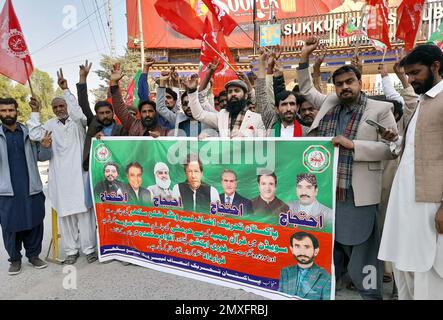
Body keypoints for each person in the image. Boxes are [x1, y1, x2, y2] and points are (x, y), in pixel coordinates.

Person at [298, 37, 397, 299]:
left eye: (349, 82)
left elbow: (391, 149)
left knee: (364, 256)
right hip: (328, 195)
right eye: (339, 84)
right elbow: (307, 90)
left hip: (358, 196)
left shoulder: (381, 109)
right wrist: (304, 58)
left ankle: (371, 296)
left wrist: (353, 145)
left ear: (359, 81)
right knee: (330, 250)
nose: (344, 88)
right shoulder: (330, 104)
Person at [378, 44, 443, 300]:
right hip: (404, 202)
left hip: (429, 204)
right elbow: (417, 146)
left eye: (415, 73)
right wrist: (396, 139)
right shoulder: (425, 100)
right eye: (408, 74)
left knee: (429, 271)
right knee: (404, 266)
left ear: (436, 66)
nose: (411, 79)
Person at [27, 69, 98, 265]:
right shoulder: (49, 125)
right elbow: (33, 134)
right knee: (66, 218)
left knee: (85, 216)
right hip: (61, 180)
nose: (59, 108)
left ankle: (90, 249)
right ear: (52, 109)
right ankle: (71, 251)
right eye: (56, 106)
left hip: (80, 177)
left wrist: (66, 89)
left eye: (62, 105)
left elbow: (79, 112)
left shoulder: (78, 122)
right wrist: (35, 111)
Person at [0, 98, 52, 275]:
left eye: (11, 110)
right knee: (10, 226)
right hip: (7, 191)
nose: (7, 114)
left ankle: (34, 256)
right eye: (4, 111)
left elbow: (42, 157)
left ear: (17, 111)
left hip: (31, 187)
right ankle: (14, 260)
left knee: (34, 222)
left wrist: (45, 147)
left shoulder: (29, 132)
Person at [76, 60, 127, 172]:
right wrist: (82, 79)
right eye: (101, 113)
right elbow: (83, 103)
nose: (105, 116)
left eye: (108, 112)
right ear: (97, 115)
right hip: (94, 170)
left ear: (112, 113)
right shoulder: (92, 124)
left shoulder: (120, 129)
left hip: (116, 171)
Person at [187, 75, 265, 138]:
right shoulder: (221, 116)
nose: (233, 94)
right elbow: (199, 114)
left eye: (237, 91)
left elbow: (263, 145)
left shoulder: (257, 118)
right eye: (230, 92)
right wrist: (192, 92)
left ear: (245, 96)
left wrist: (245, 137)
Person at [255, 48, 307, 137]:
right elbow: (261, 94)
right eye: (284, 104)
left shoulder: (307, 132)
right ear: (276, 109)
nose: (288, 109)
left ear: (298, 107)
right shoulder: (271, 123)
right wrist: (261, 62)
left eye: (292, 104)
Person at [109, 64, 167, 137]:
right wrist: (114, 83)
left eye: (150, 111)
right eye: (144, 112)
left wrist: (161, 139)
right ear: (140, 113)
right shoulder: (133, 124)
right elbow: (119, 109)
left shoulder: (163, 129)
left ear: (155, 113)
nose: (147, 115)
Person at [279, 232, 331, 300]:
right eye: (297, 246)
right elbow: (280, 296)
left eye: (307, 247)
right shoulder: (285, 272)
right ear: (292, 250)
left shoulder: (325, 276)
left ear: (316, 251)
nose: (302, 252)